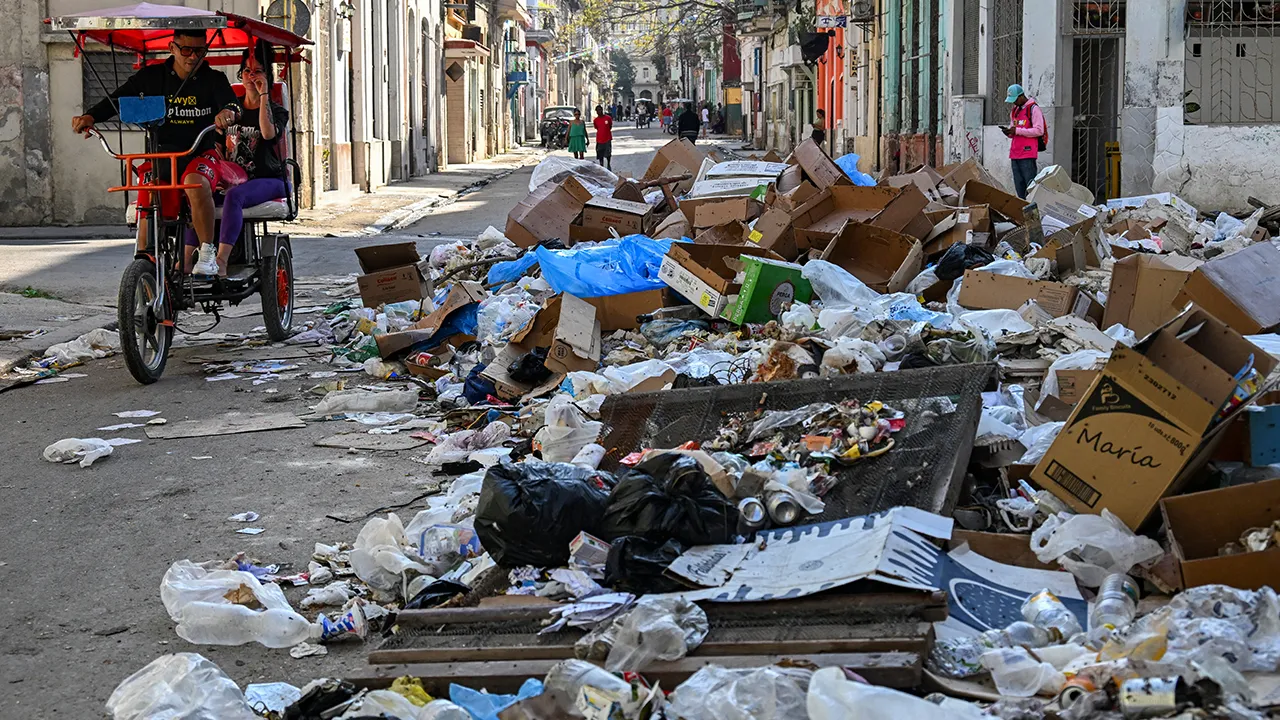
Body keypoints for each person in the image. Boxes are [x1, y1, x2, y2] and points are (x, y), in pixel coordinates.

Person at [73, 28, 240, 257]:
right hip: (162, 155)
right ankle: (144, 257)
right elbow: (117, 100)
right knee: (148, 189)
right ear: (172, 48)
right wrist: (90, 117)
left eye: (199, 51)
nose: (193, 56)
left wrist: (227, 113)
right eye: (187, 50)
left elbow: (232, 106)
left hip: (201, 154)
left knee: (196, 182)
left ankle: (208, 253)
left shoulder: (214, 79)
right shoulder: (151, 77)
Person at [188, 43, 290, 277]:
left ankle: (221, 260)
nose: (251, 75)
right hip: (231, 180)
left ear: (267, 75)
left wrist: (264, 95)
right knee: (197, 193)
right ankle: (185, 261)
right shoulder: (230, 111)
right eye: (246, 71)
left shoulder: (277, 111)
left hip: (268, 179)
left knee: (235, 196)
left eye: (258, 71)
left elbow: (266, 134)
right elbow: (217, 146)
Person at [1002, 83, 1046, 199]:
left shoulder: (1033, 109)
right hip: (1015, 153)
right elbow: (1015, 130)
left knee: (1030, 187)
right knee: (1019, 187)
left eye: (1015, 99)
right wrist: (1010, 132)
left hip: (1027, 153)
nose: (1014, 102)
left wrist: (1017, 131)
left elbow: (1039, 130)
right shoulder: (1015, 110)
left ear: (1021, 96)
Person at [592, 104, 613, 170]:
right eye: (597, 110)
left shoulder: (608, 118)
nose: (599, 112)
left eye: (600, 110)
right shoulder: (596, 120)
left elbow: (610, 126)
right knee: (600, 152)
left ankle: (608, 164)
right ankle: (601, 165)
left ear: (602, 110)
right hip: (599, 139)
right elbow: (596, 127)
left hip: (607, 138)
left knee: (608, 152)